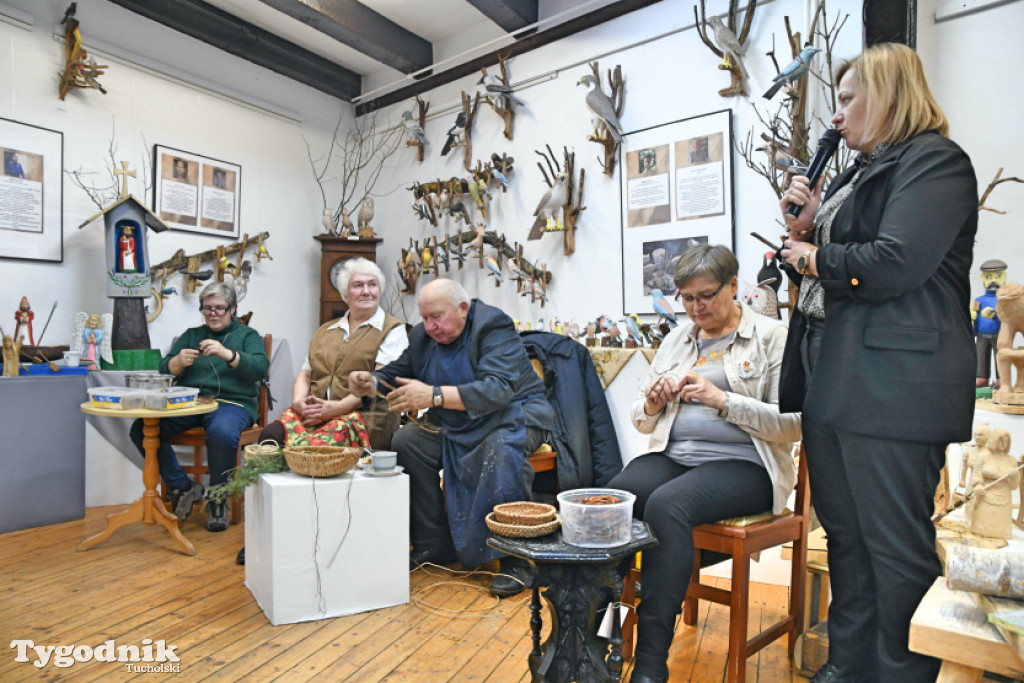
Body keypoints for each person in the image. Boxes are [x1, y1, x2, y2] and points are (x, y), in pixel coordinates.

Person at [778, 43, 977, 683]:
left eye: (847, 98)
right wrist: (809, 227)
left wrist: (810, 258)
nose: (837, 116)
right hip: (837, 373)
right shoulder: (860, 170)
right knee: (847, 540)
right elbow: (847, 249)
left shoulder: (935, 162)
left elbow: (895, 263)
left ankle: (900, 673)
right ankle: (848, 663)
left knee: (895, 549)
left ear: (888, 93)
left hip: (895, 385)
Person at [608, 245, 800, 683]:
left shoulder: (773, 337)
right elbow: (641, 419)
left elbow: (794, 424)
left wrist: (724, 401)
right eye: (687, 298)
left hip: (748, 467)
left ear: (734, 286)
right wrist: (653, 404)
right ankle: (599, 631)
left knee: (667, 505)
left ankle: (652, 663)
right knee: (614, 498)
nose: (697, 308)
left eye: (707, 296)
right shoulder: (679, 338)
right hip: (676, 457)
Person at [348, 279, 554, 598]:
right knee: (408, 442)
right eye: (425, 317)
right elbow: (396, 372)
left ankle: (516, 560)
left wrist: (434, 395)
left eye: (437, 317)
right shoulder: (422, 335)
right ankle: (435, 545)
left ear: (463, 308)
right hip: (458, 419)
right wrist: (369, 381)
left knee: (499, 451)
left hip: (516, 412)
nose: (430, 326)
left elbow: (499, 389)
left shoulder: (493, 326)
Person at [130, 282, 268, 532]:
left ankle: (217, 499)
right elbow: (164, 368)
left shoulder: (248, 336)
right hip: (190, 402)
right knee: (141, 428)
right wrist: (177, 362)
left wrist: (228, 354)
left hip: (232, 402)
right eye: (207, 309)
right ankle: (182, 486)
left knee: (222, 432)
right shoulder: (192, 334)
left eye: (219, 308)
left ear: (233, 309)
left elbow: (260, 368)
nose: (213, 313)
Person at [259, 258, 407, 450]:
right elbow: (306, 374)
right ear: (345, 294)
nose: (366, 291)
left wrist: (336, 409)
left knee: (317, 448)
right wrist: (297, 403)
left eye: (372, 285)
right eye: (358, 285)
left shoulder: (393, 329)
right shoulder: (326, 330)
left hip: (365, 415)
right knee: (270, 435)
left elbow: (381, 383)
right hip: (317, 412)